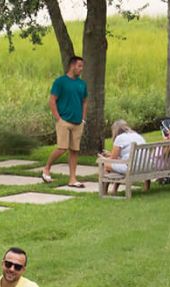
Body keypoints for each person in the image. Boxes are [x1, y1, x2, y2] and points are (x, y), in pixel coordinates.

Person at [40, 56, 87, 189]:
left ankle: (72, 179)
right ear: (72, 66)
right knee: (62, 148)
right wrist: (58, 118)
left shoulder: (82, 84)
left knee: (74, 150)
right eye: (79, 66)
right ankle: (46, 168)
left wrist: (83, 119)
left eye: (82, 66)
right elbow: (52, 100)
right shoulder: (60, 82)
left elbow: (85, 101)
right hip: (64, 121)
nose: (81, 69)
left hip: (78, 123)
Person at [98, 120, 146, 197]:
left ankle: (104, 192)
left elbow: (113, 159)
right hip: (144, 166)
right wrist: (110, 154)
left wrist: (103, 158)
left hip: (132, 167)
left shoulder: (120, 138)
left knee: (107, 165)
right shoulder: (137, 135)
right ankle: (114, 190)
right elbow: (123, 155)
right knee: (119, 165)